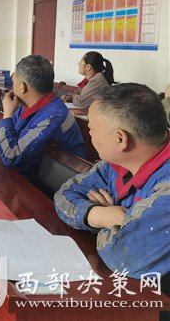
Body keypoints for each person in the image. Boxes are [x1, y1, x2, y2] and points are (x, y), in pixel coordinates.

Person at [55, 84, 169, 279]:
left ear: (120, 139)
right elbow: (65, 193)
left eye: (92, 129)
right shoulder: (116, 164)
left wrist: (113, 223)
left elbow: (122, 255)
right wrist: (95, 214)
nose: (90, 134)